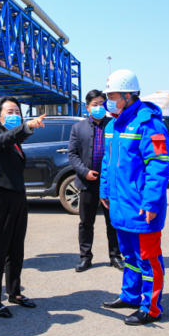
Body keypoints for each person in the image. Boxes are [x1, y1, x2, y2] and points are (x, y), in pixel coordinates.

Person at [100, 71, 169, 326]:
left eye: (113, 96)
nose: (108, 101)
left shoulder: (149, 124)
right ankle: (130, 295)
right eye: (107, 96)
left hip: (141, 207)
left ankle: (151, 307)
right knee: (128, 256)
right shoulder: (112, 125)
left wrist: (151, 202)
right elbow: (107, 162)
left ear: (129, 95)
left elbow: (158, 166)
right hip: (120, 205)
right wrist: (104, 190)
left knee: (148, 259)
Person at [0, 96, 45, 317]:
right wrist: (26, 126)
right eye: (10, 112)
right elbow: (4, 139)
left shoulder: (14, 140)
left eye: (17, 111)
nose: (15, 115)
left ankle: (14, 292)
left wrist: (26, 129)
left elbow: (13, 138)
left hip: (17, 197)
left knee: (16, 248)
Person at [68, 91, 123, 272]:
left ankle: (115, 256)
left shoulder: (114, 125)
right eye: (94, 104)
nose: (98, 107)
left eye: (101, 103)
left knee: (113, 221)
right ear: (87, 107)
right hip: (88, 182)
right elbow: (72, 154)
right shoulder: (78, 128)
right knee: (86, 222)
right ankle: (85, 257)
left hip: (110, 183)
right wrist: (85, 172)